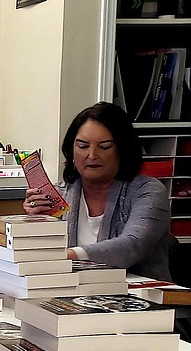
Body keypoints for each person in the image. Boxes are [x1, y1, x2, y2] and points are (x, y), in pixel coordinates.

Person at [23, 101, 174, 279]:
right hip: (71, 293)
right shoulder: (58, 195)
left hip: (138, 298)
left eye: (104, 147)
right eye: (82, 146)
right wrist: (34, 223)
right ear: (71, 151)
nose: (92, 155)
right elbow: (39, 258)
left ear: (123, 150)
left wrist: (70, 255)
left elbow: (133, 245)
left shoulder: (148, 191)